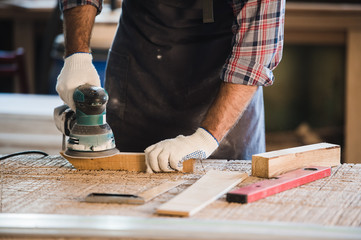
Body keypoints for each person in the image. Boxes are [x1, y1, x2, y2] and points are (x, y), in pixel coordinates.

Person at [56, 0, 285, 173]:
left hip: (226, 80)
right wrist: (77, 58)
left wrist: (205, 139)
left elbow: (254, 54)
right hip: (139, 59)